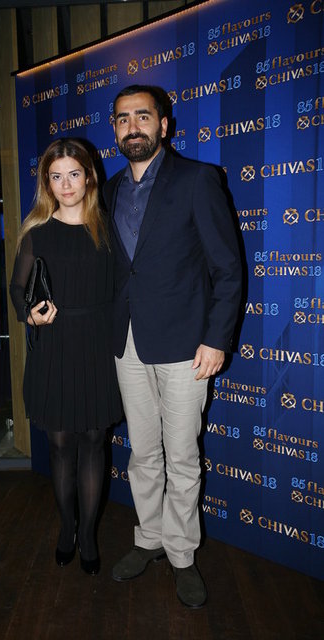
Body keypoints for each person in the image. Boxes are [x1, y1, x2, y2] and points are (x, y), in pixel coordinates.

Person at [103, 85, 242, 607]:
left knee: (181, 457)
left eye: (143, 116)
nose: (132, 127)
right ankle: (149, 539)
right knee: (143, 453)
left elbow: (227, 267)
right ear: (114, 129)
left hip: (187, 344)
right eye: (123, 119)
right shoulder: (108, 190)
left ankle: (182, 554)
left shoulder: (197, 179)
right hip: (128, 342)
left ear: (164, 125)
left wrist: (216, 338)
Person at [10, 139, 122, 576]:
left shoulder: (109, 229)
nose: (66, 184)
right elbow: (17, 288)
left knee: (94, 441)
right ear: (47, 183)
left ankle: (88, 534)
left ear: (89, 176)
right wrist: (29, 314)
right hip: (54, 348)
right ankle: (66, 527)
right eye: (56, 176)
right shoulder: (37, 233)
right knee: (59, 445)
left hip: (97, 346)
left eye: (74, 174)